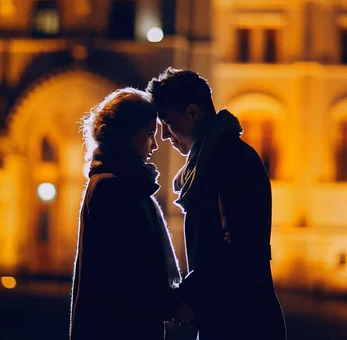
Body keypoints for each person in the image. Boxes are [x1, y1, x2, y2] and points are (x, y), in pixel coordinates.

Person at [147, 68, 287, 339]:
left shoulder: (229, 161)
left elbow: (235, 251)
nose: (164, 135)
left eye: (167, 121)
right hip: (231, 316)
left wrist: (188, 297)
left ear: (192, 112)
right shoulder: (214, 160)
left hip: (244, 321)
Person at [70, 88, 183, 340]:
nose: (155, 145)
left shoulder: (125, 184)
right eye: (149, 134)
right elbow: (127, 272)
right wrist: (172, 304)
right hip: (118, 328)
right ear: (128, 135)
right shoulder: (112, 187)